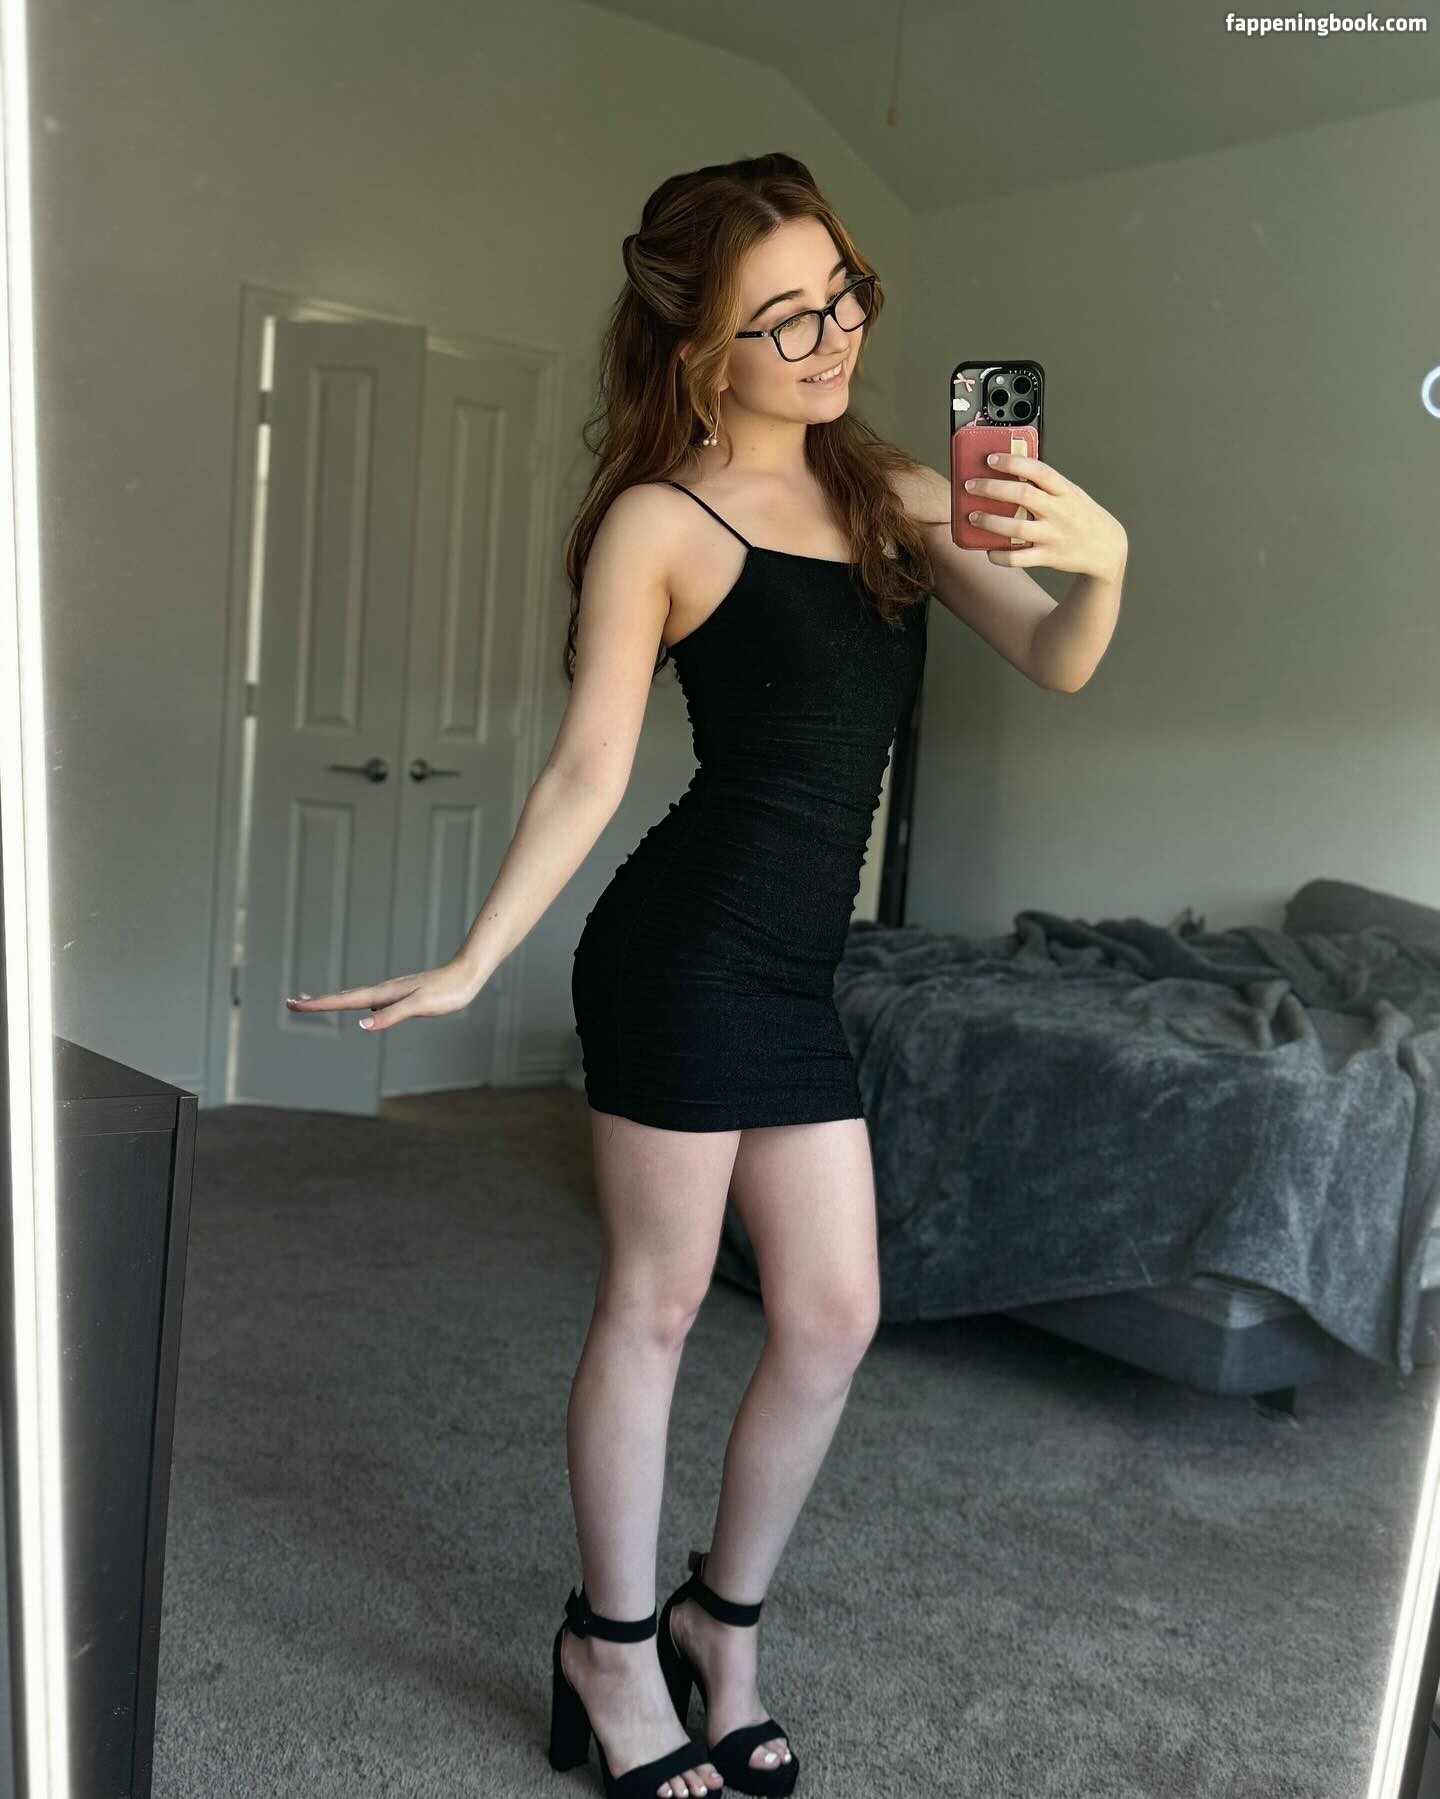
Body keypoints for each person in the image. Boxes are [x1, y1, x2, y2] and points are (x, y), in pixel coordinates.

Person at [287, 152, 1127, 1799]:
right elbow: (590, 768)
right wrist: (475, 955)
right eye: (785, 317)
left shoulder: (893, 493)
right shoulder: (660, 522)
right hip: (678, 959)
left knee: (834, 1312)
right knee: (658, 1304)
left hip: (796, 971)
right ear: (700, 352)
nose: (833, 336)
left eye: (844, 295)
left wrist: (1103, 555)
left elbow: (1055, 654)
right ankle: (610, 1653)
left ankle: (715, 1625)